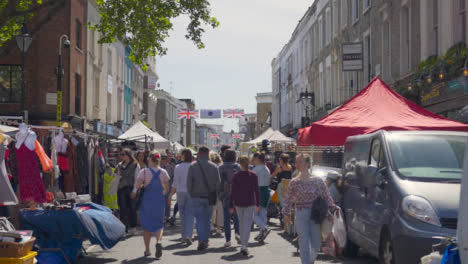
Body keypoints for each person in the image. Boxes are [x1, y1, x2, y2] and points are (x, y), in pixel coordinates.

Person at [283, 153, 337, 264]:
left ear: (307, 164)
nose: (297, 164)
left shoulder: (317, 180)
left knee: (316, 244)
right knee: (303, 243)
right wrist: (286, 214)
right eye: (296, 162)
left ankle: (309, 261)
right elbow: (288, 199)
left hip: (315, 215)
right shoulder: (294, 182)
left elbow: (327, 196)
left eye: (300, 162)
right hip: (300, 213)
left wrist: (333, 209)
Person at [135, 151, 170, 259]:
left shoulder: (144, 172)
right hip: (159, 201)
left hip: (147, 201)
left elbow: (137, 185)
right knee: (159, 224)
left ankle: (147, 250)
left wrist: (143, 185)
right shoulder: (163, 172)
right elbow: (166, 188)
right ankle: (158, 241)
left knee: (147, 226)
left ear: (149, 159)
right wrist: (163, 194)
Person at [187, 146, 221, 250]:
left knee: (199, 220)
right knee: (207, 220)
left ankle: (201, 240)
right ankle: (205, 241)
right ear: (208, 154)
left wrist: (190, 194)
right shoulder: (214, 167)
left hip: (196, 196)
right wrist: (217, 196)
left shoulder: (192, 166)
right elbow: (218, 184)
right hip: (209, 197)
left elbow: (189, 183)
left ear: (199, 154)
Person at [229, 155, 260, 256]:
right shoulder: (253, 175)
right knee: (247, 224)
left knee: (242, 223)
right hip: (250, 202)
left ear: (240, 164)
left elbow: (232, 191)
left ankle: (243, 244)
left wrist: (230, 204)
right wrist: (258, 203)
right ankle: (244, 245)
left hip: (238, 202)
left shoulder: (236, 175)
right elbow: (257, 190)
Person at [171, 149, 195, 245]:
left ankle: (183, 236)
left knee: (182, 215)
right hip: (191, 192)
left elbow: (175, 182)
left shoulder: (178, 167)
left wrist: (170, 194)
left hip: (180, 192)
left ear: (184, 156)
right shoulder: (194, 166)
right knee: (190, 214)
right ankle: (189, 235)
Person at [218, 149, 241, 247]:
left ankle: (228, 240)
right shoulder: (237, 166)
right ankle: (237, 233)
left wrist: (220, 195)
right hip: (236, 194)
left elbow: (218, 182)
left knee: (226, 218)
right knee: (237, 216)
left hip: (225, 195)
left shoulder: (221, 167)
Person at [117, 148, 140, 234]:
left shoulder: (135, 165)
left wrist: (134, 191)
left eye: (123, 154)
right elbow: (117, 177)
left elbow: (137, 179)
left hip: (131, 188)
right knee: (123, 209)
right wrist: (117, 174)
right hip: (122, 189)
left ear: (128, 155)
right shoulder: (119, 165)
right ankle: (124, 228)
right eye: (121, 154)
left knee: (132, 208)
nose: (122, 156)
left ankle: (133, 226)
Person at [252, 152, 271, 242]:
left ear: (257, 159)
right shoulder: (266, 168)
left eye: (254, 159)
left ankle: (264, 228)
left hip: (258, 191)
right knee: (263, 213)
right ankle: (262, 232)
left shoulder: (256, 169)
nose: (253, 161)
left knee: (253, 214)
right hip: (266, 191)